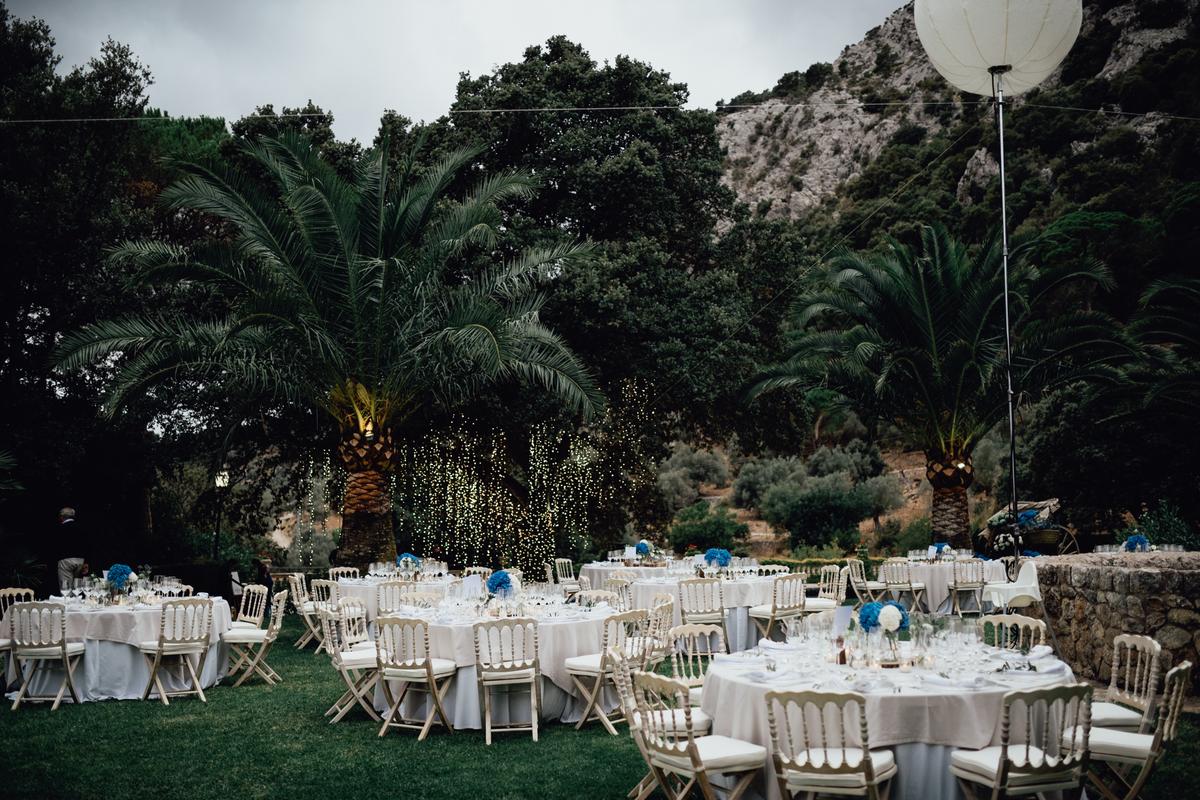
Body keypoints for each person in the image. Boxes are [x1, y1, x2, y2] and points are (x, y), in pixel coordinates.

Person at [56, 506, 90, 591]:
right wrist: (86, 562)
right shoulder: (82, 527)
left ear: (61, 517)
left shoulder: (59, 529)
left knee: (66, 588)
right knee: (77, 588)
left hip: (65, 561)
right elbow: (88, 545)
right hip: (80, 560)